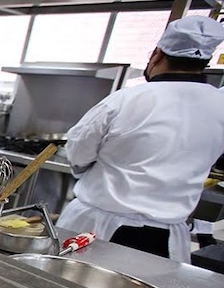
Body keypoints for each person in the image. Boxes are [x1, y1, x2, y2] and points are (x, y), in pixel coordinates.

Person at [56, 16, 224, 262]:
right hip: (166, 238)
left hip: (97, 228)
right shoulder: (219, 106)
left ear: (156, 55)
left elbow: (78, 153)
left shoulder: (126, 100)